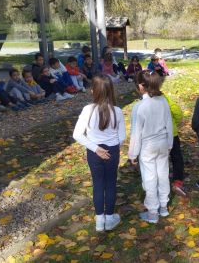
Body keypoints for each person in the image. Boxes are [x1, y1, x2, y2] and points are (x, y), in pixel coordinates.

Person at [73, 75, 126, 232]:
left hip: (94, 153)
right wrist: (108, 148)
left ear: (92, 91)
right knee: (110, 183)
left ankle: (99, 221)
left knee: (98, 184)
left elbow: (77, 134)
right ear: (111, 91)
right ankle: (109, 219)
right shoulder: (117, 111)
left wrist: (96, 148)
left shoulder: (87, 110)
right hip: (111, 152)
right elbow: (121, 136)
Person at [128, 70, 173, 224]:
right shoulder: (163, 101)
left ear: (141, 86)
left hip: (147, 146)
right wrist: (169, 144)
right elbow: (169, 124)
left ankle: (153, 212)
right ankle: (164, 206)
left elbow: (136, 133)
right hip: (162, 144)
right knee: (162, 174)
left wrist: (132, 154)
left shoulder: (139, 107)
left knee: (150, 178)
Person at [163, 85, 187, 197]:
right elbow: (176, 111)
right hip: (172, 134)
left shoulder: (146, 103)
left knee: (161, 161)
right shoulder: (165, 98)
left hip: (158, 137)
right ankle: (178, 181)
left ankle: (162, 183)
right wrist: (175, 124)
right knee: (177, 158)